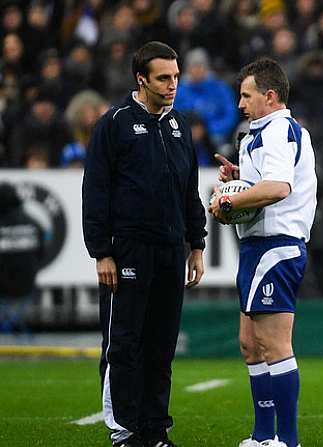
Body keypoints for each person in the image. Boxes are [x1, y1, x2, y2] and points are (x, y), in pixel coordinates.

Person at [82, 41, 207, 447]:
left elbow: (190, 189)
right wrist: (102, 251)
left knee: (161, 345)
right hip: (129, 249)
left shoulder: (179, 125)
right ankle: (124, 431)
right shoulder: (114, 123)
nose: (173, 85)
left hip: (171, 250)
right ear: (142, 80)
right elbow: (95, 191)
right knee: (124, 343)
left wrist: (197, 243)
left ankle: (155, 430)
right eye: (164, 78)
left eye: (176, 77)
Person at [209, 57, 317, 447]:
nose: (240, 104)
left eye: (246, 95)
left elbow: (278, 188)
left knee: (273, 345)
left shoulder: (276, 130)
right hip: (259, 245)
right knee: (250, 345)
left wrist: (228, 203)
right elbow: (266, 183)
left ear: (270, 96)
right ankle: (262, 435)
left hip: (277, 245)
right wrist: (240, 180)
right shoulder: (263, 131)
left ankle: (287, 440)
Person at [0, 182, 44, 335]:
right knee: (16, 318)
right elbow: (42, 251)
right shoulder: (32, 222)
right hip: (27, 285)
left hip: (3, 287)